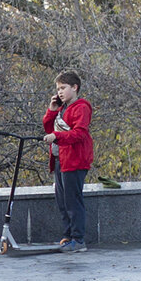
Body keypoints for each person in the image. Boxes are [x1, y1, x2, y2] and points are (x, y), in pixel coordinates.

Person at [42, 70, 94, 252]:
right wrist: (52, 110)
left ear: (75, 87)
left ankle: (78, 240)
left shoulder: (81, 107)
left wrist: (56, 136)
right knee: (62, 201)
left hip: (74, 160)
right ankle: (68, 236)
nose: (60, 92)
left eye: (63, 88)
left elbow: (79, 133)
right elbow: (48, 127)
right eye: (58, 89)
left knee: (73, 201)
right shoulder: (62, 108)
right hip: (60, 160)